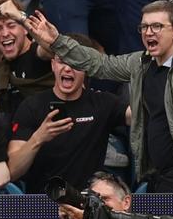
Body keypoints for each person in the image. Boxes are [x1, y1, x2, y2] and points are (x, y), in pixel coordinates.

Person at [10, 0, 173, 197]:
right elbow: (100, 64)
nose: (149, 32)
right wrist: (57, 41)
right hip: (159, 177)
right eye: (145, 27)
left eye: (157, 26)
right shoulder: (141, 63)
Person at [8, 39, 128, 195]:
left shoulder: (103, 103)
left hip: (87, 204)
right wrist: (38, 138)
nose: (67, 68)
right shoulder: (32, 106)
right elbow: (13, 171)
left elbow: (143, 115)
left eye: (75, 62)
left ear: (86, 67)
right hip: (43, 203)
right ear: (53, 65)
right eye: (62, 61)